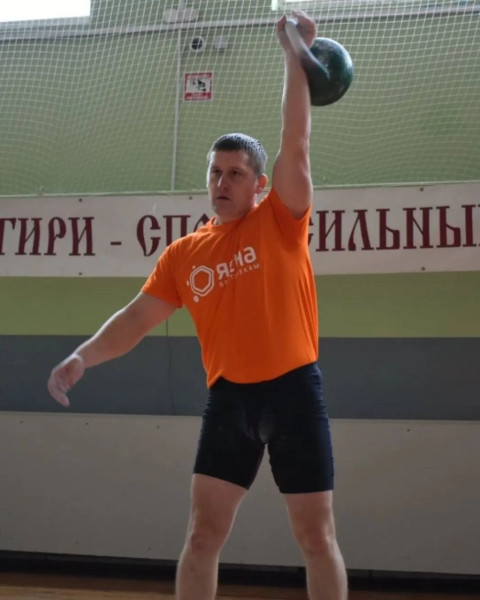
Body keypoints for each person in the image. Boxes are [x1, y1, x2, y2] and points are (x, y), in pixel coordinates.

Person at [48, 10, 348, 600]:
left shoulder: (281, 220)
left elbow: (295, 141)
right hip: (229, 401)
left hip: (293, 393)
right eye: (215, 172)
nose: (222, 182)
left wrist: (294, 55)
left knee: (316, 537)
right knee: (203, 535)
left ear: (259, 184)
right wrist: (83, 356)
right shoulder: (184, 254)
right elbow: (135, 319)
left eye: (235, 173)